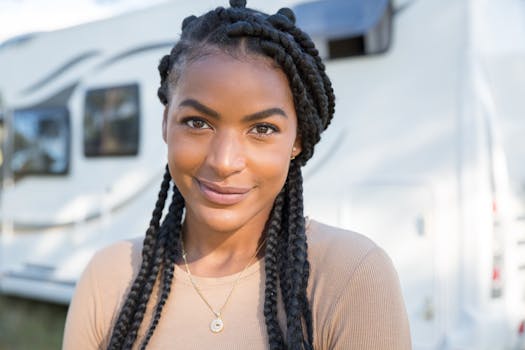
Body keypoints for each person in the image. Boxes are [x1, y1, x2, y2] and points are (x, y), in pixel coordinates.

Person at [62, 0, 411, 349]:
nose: (224, 161)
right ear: (166, 123)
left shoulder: (352, 276)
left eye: (262, 128)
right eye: (197, 123)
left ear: (298, 140)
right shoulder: (110, 278)